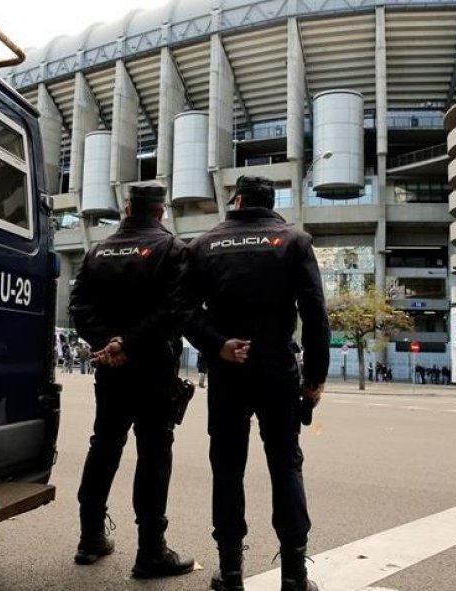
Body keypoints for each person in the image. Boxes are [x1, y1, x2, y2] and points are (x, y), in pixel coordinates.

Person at [185, 175, 330, 591]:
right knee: (285, 465)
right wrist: (315, 379)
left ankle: (230, 572)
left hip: (228, 369)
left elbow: (182, 308)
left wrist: (217, 344)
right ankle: (294, 575)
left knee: (227, 467)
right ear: (269, 203)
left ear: (239, 200)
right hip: (277, 369)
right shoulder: (294, 241)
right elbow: (316, 315)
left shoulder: (205, 243)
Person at [68, 184, 195, 578]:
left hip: (111, 368)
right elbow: (175, 311)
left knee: (103, 445)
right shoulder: (172, 249)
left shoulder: (98, 250)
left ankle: (90, 538)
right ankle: (151, 551)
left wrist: (108, 344)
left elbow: (78, 307)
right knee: (154, 454)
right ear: (160, 213)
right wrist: (130, 343)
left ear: (126, 209)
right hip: (154, 367)